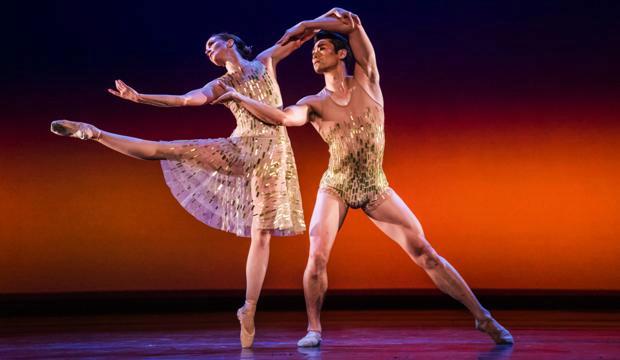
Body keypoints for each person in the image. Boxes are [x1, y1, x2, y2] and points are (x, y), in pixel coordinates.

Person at [213, 8, 514, 347]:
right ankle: (314, 329)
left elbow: (352, 23)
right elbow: (283, 117)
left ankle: (482, 317)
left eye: (322, 47)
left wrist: (309, 25)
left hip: (375, 185)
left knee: (425, 252)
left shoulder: (368, 78)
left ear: (342, 53)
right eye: (313, 48)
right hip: (336, 185)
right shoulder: (313, 103)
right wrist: (240, 97)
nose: (315, 51)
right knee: (317, 255)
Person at [50, 31, 314, 348]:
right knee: (169, 149)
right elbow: (186, 100)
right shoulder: (220, 85)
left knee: (262, 235)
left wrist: (325, 24)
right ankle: (94, 133)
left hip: (273, 158)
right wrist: (141, 98)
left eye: (211, 44)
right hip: (240, 149)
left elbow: (298, 38)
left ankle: (249, 309)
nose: (207, 50)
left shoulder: (264, 61)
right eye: (204, 48)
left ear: (230, 43)